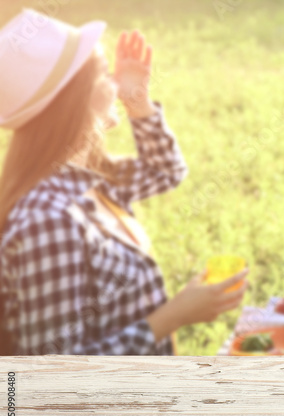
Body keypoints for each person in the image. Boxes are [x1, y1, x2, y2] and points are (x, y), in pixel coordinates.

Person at [0, 11, 247, 355]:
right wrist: (172, 316)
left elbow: (166, 171)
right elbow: (53, 379)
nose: (116, 85)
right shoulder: (48, 219)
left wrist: (138, 102)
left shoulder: (88, 179)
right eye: (105, 74)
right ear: (74, 97)